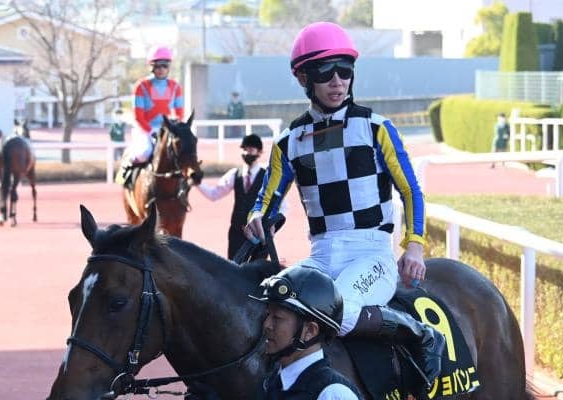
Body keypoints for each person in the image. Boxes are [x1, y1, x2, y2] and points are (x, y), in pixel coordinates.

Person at [244, 22, 445, 388]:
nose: (338, 81)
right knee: (269, 302)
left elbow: (410, 190)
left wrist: (414, 245)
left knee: (337, 310)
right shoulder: (288, 141)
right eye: (326, 72)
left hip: (371, 255)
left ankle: (420, 333)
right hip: (321, 256)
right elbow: (266, 201)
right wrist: (257, 216)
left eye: (345, 70)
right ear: (304, 78)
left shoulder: (376, 127)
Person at [185, 266, 362, 399]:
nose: (267, 325)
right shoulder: (273, 384)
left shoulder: (332, 393)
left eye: (277, 317)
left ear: (310, 330)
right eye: (267, 315)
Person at [194, 133, 272, 259]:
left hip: (259, 232)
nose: (246, 153)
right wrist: (197, 183)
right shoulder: (234, 174)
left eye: (250, 149)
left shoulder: (267, 178)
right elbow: (214, 194)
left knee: (257, 268)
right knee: (233, 267)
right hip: (237, 232)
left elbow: (280, 205)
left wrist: (272, 225)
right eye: (244, 149)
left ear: (259, 152)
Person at [123, 45, 184, 177]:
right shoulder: (141, 86)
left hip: (166, 130)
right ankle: (127, 167)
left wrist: (175, 129)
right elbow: (138, 116)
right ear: (151, 67)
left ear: (169, 67)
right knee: (144, 153)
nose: (161, 69)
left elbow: (179, 113)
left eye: (164, 66)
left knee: (182, 152)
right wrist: (151, 131)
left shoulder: (175, 87)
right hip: (144, 130)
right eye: (157, 66)